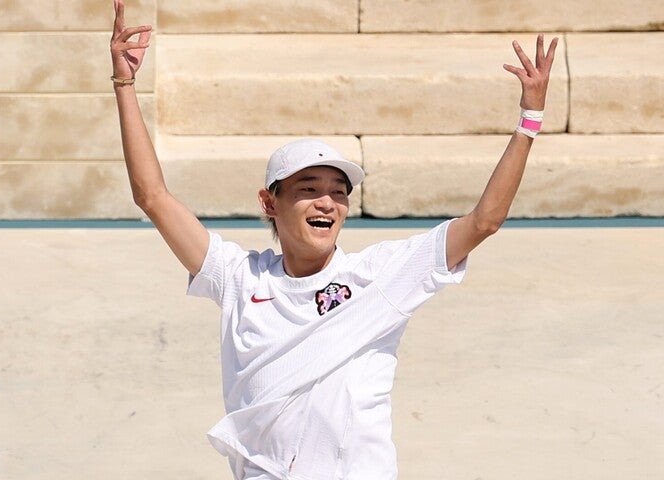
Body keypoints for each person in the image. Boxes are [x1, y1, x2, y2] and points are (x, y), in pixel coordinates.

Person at [109, 1, 558, 478]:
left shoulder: (382, 275)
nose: (327, 203)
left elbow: (484, 221)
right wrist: (124, 84)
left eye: (338, 193)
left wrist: (529, 119)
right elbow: (152, 196)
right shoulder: (239, 278)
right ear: (269, 203)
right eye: (308, 190)